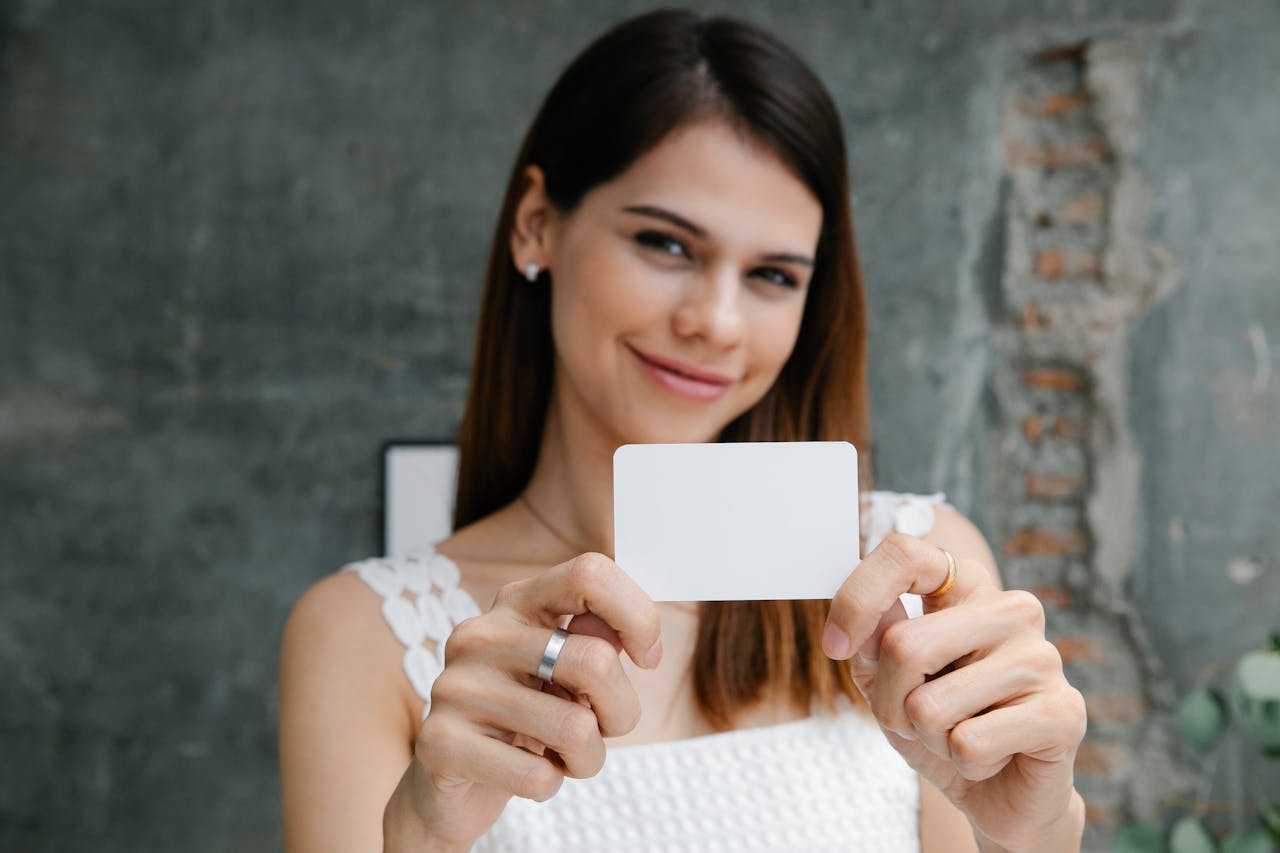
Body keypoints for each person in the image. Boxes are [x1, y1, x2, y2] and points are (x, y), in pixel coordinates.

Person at [279, 9, 1088, 852]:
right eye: (665, 243)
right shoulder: (361, 635)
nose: (717, 321)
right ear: (536, 224)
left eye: (773, 274)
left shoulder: (911, 582)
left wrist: (1034, 832)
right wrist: (421, 834)